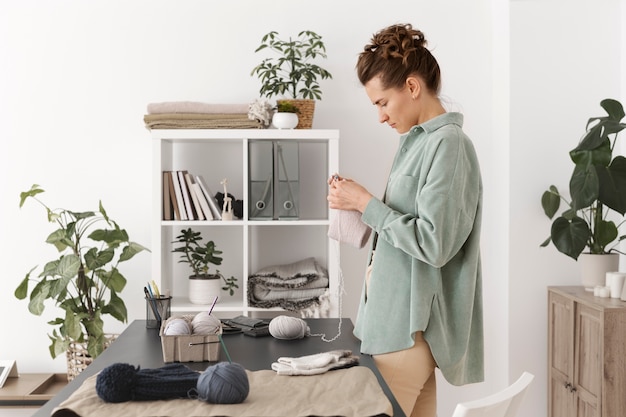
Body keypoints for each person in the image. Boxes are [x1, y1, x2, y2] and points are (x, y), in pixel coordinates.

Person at [327, 23, 484, 417]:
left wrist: (366, 203)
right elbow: (400, 225)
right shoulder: (414, 142)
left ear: (412, 88)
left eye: (382, 102)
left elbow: (434, 244)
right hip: (390, 323)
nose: (380, 116)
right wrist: (356, 202)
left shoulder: (449, 146)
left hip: (407, 333)